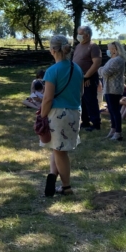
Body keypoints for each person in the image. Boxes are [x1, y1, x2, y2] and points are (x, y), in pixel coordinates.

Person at [42, 35, 84, 197]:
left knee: (60, 151)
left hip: (58, 113)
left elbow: (47, 98)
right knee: (57, 147)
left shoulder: (52, 71)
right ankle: (53, 175)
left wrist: (42, 115)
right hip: (74, 112)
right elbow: (81, 92)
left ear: (52, 50)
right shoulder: (77, 68)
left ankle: (66, 187)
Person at [72, 26, 102, 131]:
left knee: (90, 100)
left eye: (80, 33)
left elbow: (97, 63)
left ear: (87, 35)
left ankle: (95, 123)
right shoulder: (78, 46)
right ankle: (85, 121)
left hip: (89, 78)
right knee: (82, 101)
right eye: (78, 33)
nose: (78, 36)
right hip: (78, 78)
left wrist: (87, 76)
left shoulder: (93, 46)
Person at [99, 41, 126, 141]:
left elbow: (105, 72)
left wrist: (102, 70)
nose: (108, 51)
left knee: (115, 111)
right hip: (108, 88)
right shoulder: (112, 59)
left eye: (109, 49)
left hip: (114, 88)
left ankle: (118, 132)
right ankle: (113, 129)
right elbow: (102, 71)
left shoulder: (118, 60)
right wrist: (102, 70)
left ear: (114, 50)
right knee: (111, 110)